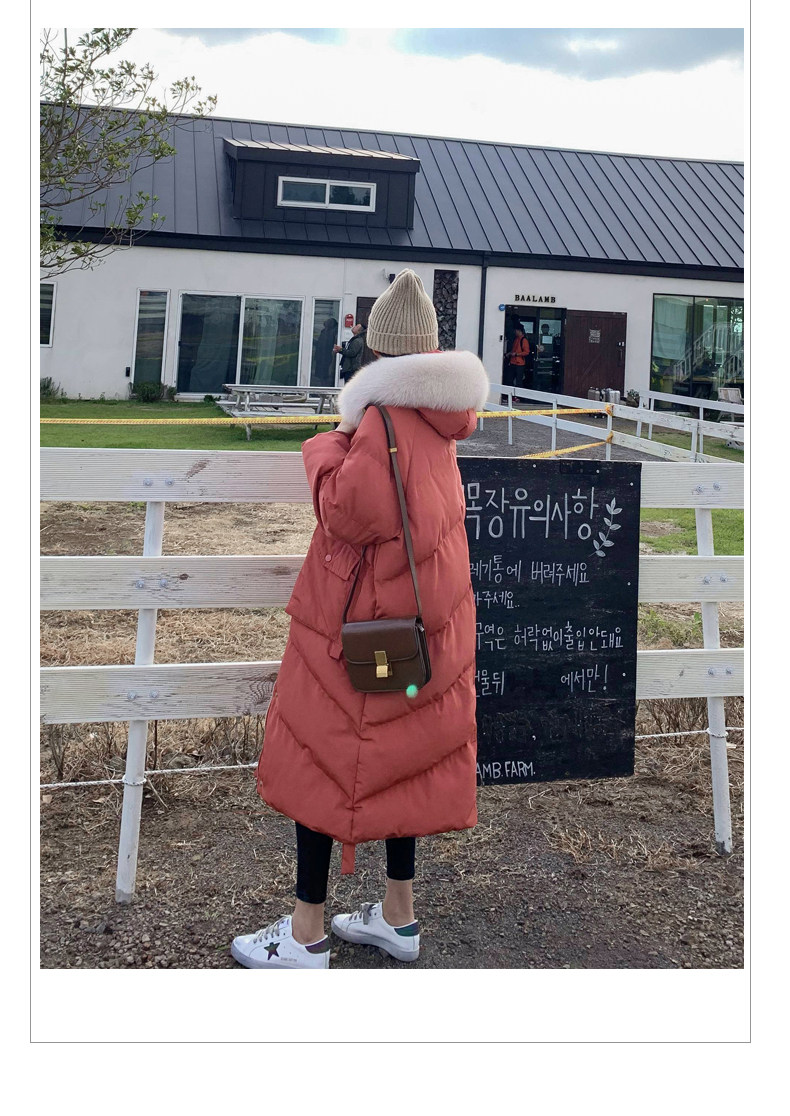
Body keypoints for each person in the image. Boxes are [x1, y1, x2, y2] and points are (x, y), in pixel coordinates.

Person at [231, 269, 490, 970]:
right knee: (402, 761)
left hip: (363, 620)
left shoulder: (381, 418)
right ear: (429, 349)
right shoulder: (444, 417)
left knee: (323, 755)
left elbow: (348, 511)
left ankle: (305, 932)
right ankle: (398, 916)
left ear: (376, 349)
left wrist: (325, 445)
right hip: (423, 622)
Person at [502, 324, 530, 404]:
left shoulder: (524, 340)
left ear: (519, 331)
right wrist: (509, 354)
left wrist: (517, 354)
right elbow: (514, 350)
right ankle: (510, 396)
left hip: (520, 364)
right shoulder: (516, 339)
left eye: (516, 330)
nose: (515, 332)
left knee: (518, 381)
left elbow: (526, 352)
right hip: (513, 362)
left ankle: (518, 397)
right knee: (509, 379)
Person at [312, 317, 338, 387]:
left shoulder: (331, 333)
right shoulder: (324, 331)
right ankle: (322, 385)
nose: (325, 322)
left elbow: (326, 344)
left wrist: (315, 342)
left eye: (328, 321)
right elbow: (320, 343)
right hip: (320, 354)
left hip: (325, 355)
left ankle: (324, 386)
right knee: (320, 372)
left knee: (323, 372)